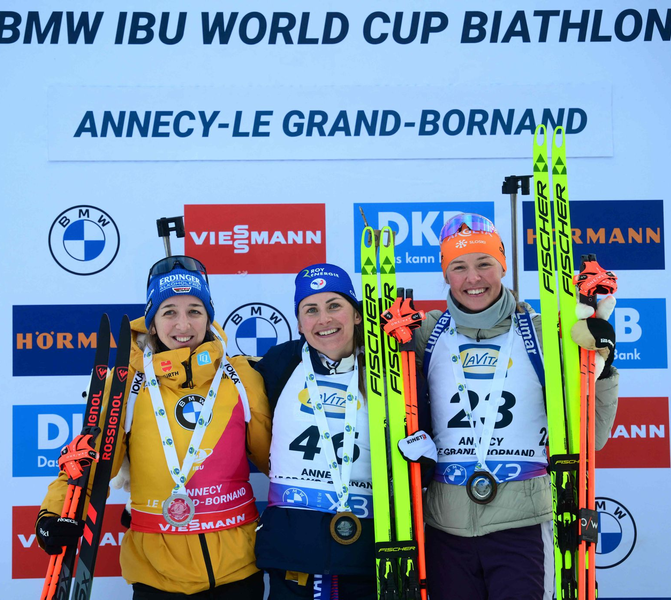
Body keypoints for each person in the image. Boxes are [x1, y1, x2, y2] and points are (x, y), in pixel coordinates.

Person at [35, 256, 271, 599]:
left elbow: (278, 462)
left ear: (208, 317)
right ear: (152, 320)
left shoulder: (241, 377)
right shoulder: (126, 385)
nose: (183, 324)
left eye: (194, 310)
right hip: (156, 573)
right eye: (169, 312)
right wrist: (54, 514)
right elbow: (91, 461)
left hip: (237, 568)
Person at [414, 214, 620, 600]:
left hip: (524, 522)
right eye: (458, 267)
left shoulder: (544, 333)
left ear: (503, 266)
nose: (473, 278)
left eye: (484, 264)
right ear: (445, 274)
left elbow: (593, 434)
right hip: (445, 526)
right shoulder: (425, 334)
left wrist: (602, 362)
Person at [252, 263, 377, 600]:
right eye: (311, 310)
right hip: (294, 549)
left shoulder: (386, 369)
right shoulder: (280, 363)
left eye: (334, 305)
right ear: (299, 323)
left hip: (366, 549)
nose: (324, 319)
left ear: (356, 314)